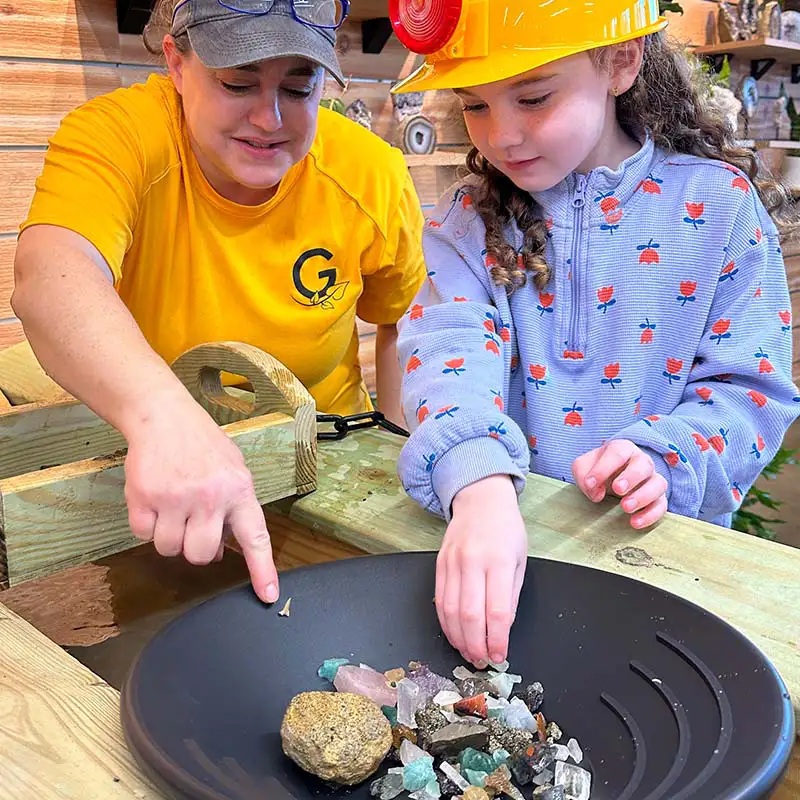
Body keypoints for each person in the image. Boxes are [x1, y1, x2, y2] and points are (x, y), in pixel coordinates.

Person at [389, 0, 800, 667]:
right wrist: (480, 485)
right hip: (509, 562)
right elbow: (448, 348)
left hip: (665, 570)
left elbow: (749, 388)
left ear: (619, 62)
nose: (504, 136)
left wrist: (673, 457)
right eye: (476, 106)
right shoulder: (472, 217)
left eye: (533, 98)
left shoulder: (719, 204)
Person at [12, 0, 426, 604]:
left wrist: (396, 462)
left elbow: (403, 323)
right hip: (165, 480)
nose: (269, 117)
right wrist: (164, 416)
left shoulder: (370, 174)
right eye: (238, 82)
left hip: (326, 469)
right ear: (176, 63)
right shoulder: (117, 137)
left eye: (298, 86)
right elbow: (49, 278)